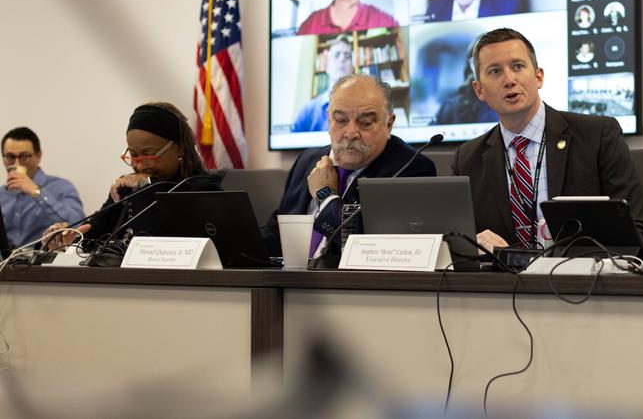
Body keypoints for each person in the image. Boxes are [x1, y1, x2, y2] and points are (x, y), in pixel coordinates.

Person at [450, 28, 643, 253]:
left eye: (518, 66)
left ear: (538, 77)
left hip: (582, 280)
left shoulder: (597, 136)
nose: (509, 80)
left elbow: (639, 234)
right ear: (479, 90)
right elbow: (455, 244)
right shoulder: (467, 160)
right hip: (503, 284)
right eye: (495, 71)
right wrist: (471, 244)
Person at [263, 74, 436, 258]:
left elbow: (372, 249)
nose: (351, 133)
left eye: (366, 123)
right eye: (341, 120)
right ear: (329, 119)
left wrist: (326, 196)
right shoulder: (307, 160)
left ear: (389, 125)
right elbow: (277, 235)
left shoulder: (411, 168)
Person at [44, 102, 221, 251]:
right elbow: (94, 229)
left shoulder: (204, 189)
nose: (139, 164)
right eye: (134, 155)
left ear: (180, 148)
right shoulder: (127, 188)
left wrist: (150, 185)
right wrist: (69, 237)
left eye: (148, 154)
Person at [0, 127, 83, 248]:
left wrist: (36, 192)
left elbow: (78, 225)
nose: (16, 164)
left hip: (43, 263)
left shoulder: (61, 187)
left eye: (24, 156)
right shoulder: (2, 195)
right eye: (10, 156)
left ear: (38, 156)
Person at [291, 35, 355, 132]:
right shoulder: (307, 113)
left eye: (347, 56)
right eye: (337, 55)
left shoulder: (364, 110)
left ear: (352, 68)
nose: (342, 59)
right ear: (326, 64)